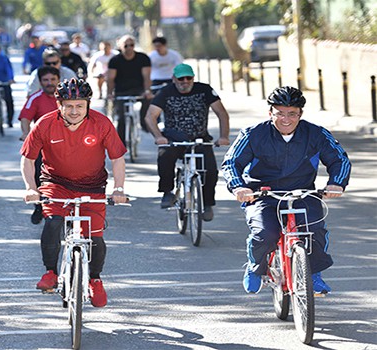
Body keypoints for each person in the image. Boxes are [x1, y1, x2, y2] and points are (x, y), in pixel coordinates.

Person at [221, 86, 351, 294]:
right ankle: (255, 267)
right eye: (280, 112)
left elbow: (339, 159)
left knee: (315, 231)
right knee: (265, 233)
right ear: (270, 112)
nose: (286, 119)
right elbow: (231, 163)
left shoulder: (316, 134)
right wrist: (239, 187)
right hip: (262, 195)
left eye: (292, 113)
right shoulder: (253, 134)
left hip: (303, 193)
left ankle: (313, 273)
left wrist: (337, 182)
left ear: (300, 114)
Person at [20, 79, 128, 308]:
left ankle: (95, 279)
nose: (74, 111)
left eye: (79, 105)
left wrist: (118, 188)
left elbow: (117, 157)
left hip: (92, 186)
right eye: (68, 105)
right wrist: (31, 187)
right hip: (55, 183)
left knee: (95, 237)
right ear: (59, 104)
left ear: (88, 105)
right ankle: (50, 272)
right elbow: (28, 159)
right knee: (53, 223)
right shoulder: (44, 124)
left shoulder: (102, 123)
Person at [144, 63, 230, 221]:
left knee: (211, 171)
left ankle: (208, 203)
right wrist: (158, 137)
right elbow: (150, 116)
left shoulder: (204, 89)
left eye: (188, 78)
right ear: (174, 79)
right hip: (173, 138)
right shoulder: (166, 92)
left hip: (200, 138)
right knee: (164, 156)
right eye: (181, 78)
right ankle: (167, 192)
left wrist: (224, 136)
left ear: (193, 78)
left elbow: (221, 113)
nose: (185, 81)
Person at [19, 66, 60, 225]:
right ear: (40, 82)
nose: (49, 83)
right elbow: (25, 118)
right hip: (43, 145)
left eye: (52, 79)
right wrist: (26, 133)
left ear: (58, 79)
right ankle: (39, 205)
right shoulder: (35, 98)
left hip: (68, 144)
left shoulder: (68, 98)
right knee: (37, 172)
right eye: (45, 80)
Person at [107, 35, 153, 144]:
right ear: (120, 46)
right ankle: (121, 145)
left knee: (148, 100)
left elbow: (147, 76)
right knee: (121, 118)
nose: (129, 48)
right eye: (126, 45)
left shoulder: (143, 58)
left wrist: (147, 91)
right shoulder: (115, 60)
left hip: (139, 90)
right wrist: (110, 93)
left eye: (131, 45)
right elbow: (110, 78)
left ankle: (143, 122)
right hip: (121, 91)